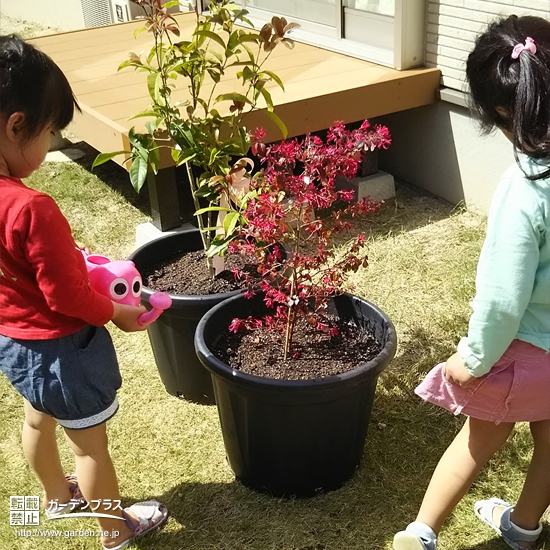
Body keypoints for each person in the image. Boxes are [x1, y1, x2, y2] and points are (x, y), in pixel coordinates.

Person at [0, 35, 168, 550]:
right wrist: (115, 310)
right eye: (50, 131)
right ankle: (116, 533)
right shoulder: (32, 208)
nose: (50, 144)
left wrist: (70, 257)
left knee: (36, 417)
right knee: (90, 450)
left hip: (15, 343)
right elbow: (66, 299)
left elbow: (25, 270)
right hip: (63, 348)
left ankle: (55, 497)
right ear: (16, 124)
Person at [392, 14, 550, 550]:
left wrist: (474, 358)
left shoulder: (523, 192)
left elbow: (505, 300)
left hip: (519, 354)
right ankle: (525, 528)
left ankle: (421, 533)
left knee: (477, 440)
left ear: (501, 113)